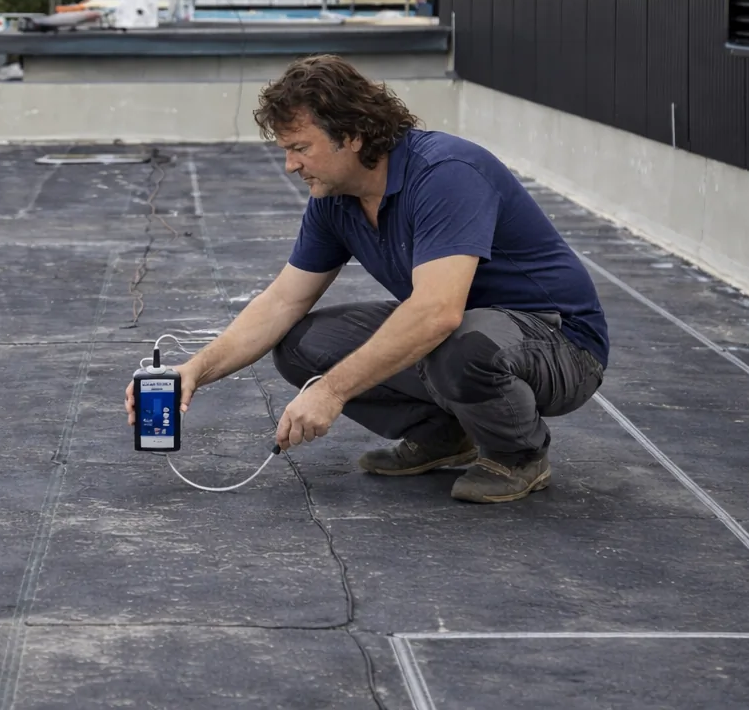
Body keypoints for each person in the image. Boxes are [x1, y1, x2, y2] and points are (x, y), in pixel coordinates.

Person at [125, 55, 608, 503]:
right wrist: (194, 371)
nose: (290, 164)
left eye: (300, 148)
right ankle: (445, 434)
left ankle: (517, 455)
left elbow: (438, 311)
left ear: (352, 135)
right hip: (470, 331)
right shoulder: (334, 201)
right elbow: (281, 303)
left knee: (456, 342)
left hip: (559, 343)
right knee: (300, 343)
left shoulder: (445, 173)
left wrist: (331, 391)